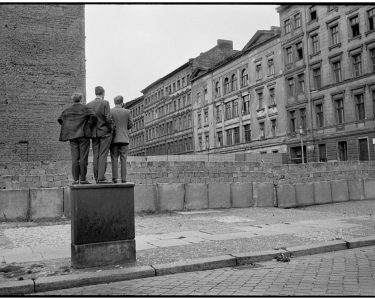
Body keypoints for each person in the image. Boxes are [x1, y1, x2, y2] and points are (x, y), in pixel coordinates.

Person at [58, 93, 97, 185]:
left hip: (72, 137)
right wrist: (88, 125)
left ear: (73, 100)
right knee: (83, 158)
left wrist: (70, 127)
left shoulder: (67, 110)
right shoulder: (85, 108)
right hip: (83, 135)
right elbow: (94, 116)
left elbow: (60, 120)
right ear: (81, 99)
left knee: (75, 158)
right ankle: (83, 179)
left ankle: (75, 179)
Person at [87, 86, 113, 184]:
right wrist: (111, 129)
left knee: (95, 155)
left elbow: (89, 120)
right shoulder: (105, 103)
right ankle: (101, 177)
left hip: (94, 134)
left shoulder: (89, 104)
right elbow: (108, 118)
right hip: (105, 133)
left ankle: (97, 176)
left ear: (95, 93)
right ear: (103, 93)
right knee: (103, 155)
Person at [110, 96, 133, 183]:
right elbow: (130, 124)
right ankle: (124, 178)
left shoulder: (110, 111)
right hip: (124, 139)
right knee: (124, 160)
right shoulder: (127, 112)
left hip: (114, 139)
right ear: (122, 102)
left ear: (114, 102)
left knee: (114, 159)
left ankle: (115, 178)